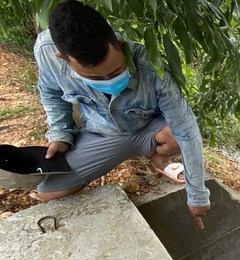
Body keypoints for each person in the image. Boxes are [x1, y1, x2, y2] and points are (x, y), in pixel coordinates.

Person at [33, 0, 210, 228]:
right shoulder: (47, 52)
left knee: (179, 135)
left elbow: (187, 130)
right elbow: (50, 93)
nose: (109, 81)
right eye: (95, 79)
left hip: (147, 128)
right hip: (102, 134)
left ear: (119, 43)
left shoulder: (150, 68)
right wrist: (60, 133)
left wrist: (197, 196)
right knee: (49, 191)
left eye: (116, 71)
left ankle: (161, 158)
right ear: (63, 59)